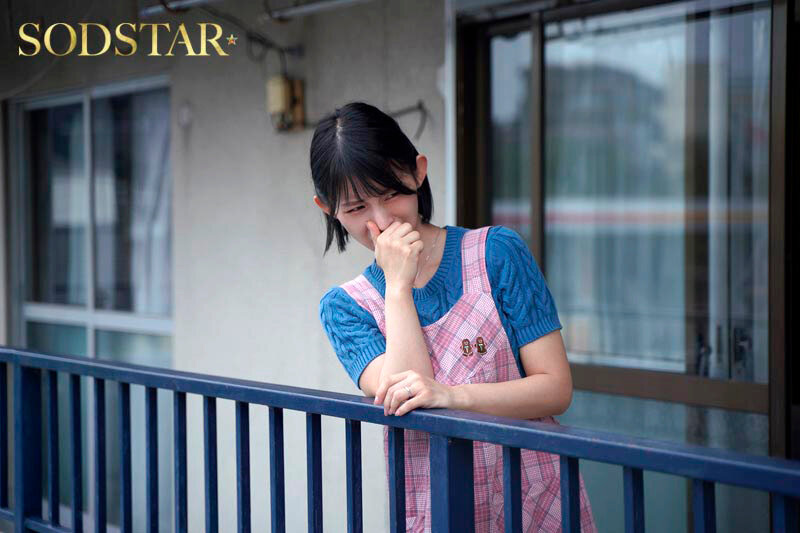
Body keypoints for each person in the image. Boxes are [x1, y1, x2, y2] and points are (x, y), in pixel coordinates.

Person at [311, 102, 596, 533]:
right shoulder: (345, 308)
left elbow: (555, 388)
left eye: (390, 194)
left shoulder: (497, 253)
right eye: (356, 209)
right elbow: (405, 395)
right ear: (327, 208)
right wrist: (398, 288)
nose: (382, 222)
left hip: (535, 498)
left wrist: (452, 396)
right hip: (438, 509)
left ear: (418, 171)